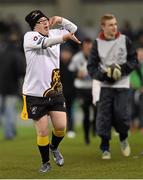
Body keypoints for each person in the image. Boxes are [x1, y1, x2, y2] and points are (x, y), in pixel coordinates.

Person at [21, 10, 80, 173]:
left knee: (61, 128)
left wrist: (61, 19)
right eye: (41, 21)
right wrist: (64, 38)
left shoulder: (54, 32)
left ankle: (54, 147)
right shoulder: (29, 37)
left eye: (46, 19)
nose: (45, 22)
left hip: (54, 91)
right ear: (34, 26)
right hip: (34, 93)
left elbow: (74, 28)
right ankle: (45, 162)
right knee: (42, 131)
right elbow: (45, 43)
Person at [87, 14, 138, 159]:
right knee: (104, 116)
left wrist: (122, 70)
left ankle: (123, 138)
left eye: (115, 24)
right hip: (104, 85)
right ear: (103, 26)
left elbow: (134, 60)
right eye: (110, 24)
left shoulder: (125, 40)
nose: (114, 27)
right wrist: (105, 75)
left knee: (121, 115)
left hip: (122, 84)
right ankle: (105, 147)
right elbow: (91, 67)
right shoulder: (97, 43)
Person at [69, 38, 96, 144]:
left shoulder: (96, 58)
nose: (88, 47)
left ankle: (94, 126)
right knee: (86, 112)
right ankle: (86, 137)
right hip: (81, 89)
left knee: (97, 110)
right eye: (86, 45)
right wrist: (77, 75)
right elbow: (70, 72)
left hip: (93, 87)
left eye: (90, 45)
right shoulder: (77, 58)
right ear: (83, 46)